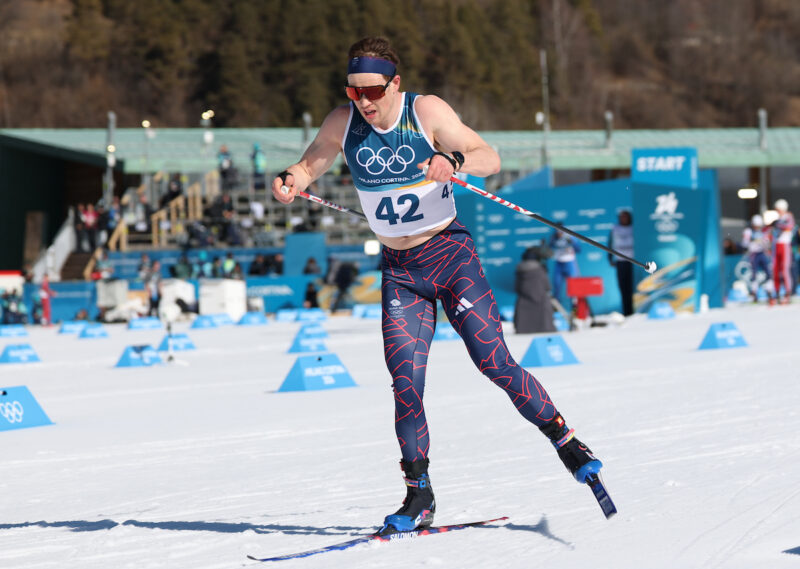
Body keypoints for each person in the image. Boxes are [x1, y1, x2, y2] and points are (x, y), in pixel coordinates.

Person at [271, 36, 602, 536]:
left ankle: (564, 437)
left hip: (450, 259)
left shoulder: (423, 111)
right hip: (400, 273)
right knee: (406, 386)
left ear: (394, 84)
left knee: (495, 363)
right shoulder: (343, 121)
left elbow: (487, 154)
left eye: (373, 91)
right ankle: (418, 496)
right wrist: (292, 177)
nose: (364, 101)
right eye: (354, 91)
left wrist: (455, 162)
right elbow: (315, 157)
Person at [513, 244, 555, 333]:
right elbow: (547, 286)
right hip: (540, 298)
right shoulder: (540, 270)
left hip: (523, 298)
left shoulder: (519, 269)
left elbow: (517, 287)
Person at [608, 209, 634, 316]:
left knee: (633, 287)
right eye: (621, 217)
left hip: (633, 262)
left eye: (625, 217)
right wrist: (610, 259)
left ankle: (635, 311)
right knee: (623, 288)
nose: (623, 219)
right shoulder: (615, 229)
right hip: (621, 262)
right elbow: (610, 244)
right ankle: (627, 312)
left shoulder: (634, 228)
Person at [741, 214, 772, 302]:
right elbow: (744, 243)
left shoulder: (763, 232)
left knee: (768, 272)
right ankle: (754, 293)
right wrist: (752, 242)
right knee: (754, 273)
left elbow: (767, 243)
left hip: (762, 253)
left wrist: (763, 243)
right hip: (753, 254)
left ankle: (769, 291)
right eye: (756, 226)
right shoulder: (748, 231)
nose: (757, 227)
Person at [548, 228, 581, 311]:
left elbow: (578, 249)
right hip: (559, 263)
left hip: (569, 263)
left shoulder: (570, 236)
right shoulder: (553, 237)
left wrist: (572, 243)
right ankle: (556, 308)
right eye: (557, 232)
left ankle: (575, 308)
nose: (559, 234)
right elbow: (549, 247)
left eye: (560, 232)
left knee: (573, 287)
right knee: (557, 285)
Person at [771, 199, 795, 304]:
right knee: (775, 269)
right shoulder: (778, 219)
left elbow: (789, 227)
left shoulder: (788, 217)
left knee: (785, 270)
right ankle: (776, 293)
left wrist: (778, 225)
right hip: (776, 245)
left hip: (785, 245)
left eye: (778, 209)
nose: (777, 211)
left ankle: (787, 293)